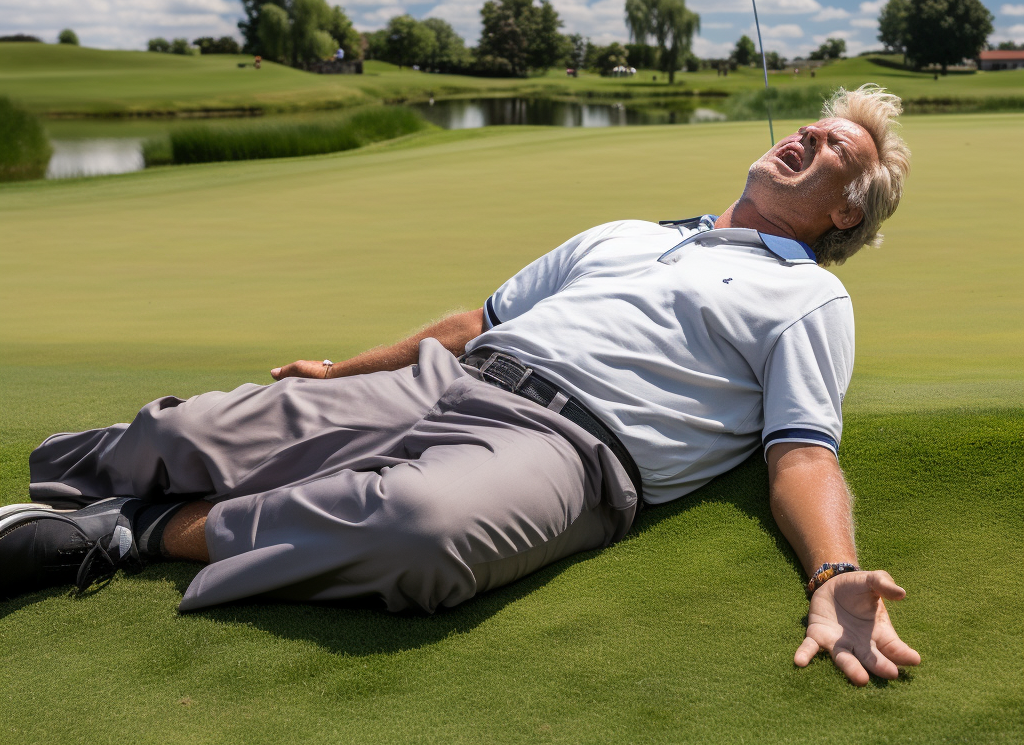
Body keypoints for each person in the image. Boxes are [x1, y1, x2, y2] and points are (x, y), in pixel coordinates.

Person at [0, 84, 919, 686]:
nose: (806, 134)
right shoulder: (625, 232)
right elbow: (478, 320)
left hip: (571, 449)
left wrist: (833, 571)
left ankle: (132, 531)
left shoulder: (808, 296)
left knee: (421, 534)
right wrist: (340, 369)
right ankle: (97, 492)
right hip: (449, 379)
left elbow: (802, 451)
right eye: (810, 123)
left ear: (847, 210)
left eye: (834, 145)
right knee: (184, 433)